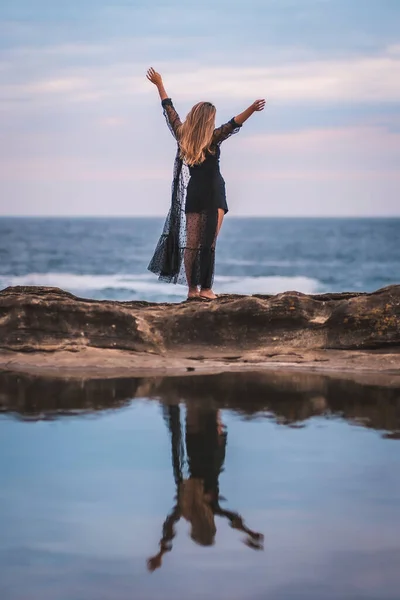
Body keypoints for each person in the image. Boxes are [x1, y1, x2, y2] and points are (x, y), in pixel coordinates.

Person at [146, 67, 266, 300]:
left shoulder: (183, 135)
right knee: (208, 244)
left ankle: (192, 291)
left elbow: (169, 109)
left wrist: (159, 84)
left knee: (191, 245)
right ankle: (207, 290)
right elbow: (234, 123)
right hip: (213, 193)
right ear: (208, 121)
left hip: (194, 194)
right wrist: (252, 108)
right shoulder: (212, 138)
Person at [147, 404, 264, 572]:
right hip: (205, 451)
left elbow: (170, 526)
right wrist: (249, 532)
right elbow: (232, 519)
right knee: (202, 407)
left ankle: (196, 384)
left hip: (204, 451)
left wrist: (161, 553)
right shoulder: (203, 508)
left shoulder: (192, 508)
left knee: (201, 406)